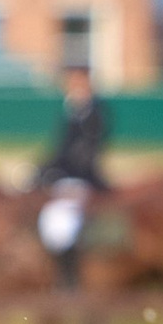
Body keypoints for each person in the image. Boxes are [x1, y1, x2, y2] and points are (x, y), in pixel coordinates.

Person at [29, 58, 112, 283]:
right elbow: (59, 148)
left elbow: (85, 154)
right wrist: (43, 169)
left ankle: (68, 279)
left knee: (60, 222)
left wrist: (58, 171)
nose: (71, 84)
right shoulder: (71, 109)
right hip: (64, 174)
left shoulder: (94, 112)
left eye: (76, 79)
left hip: (80, 178)